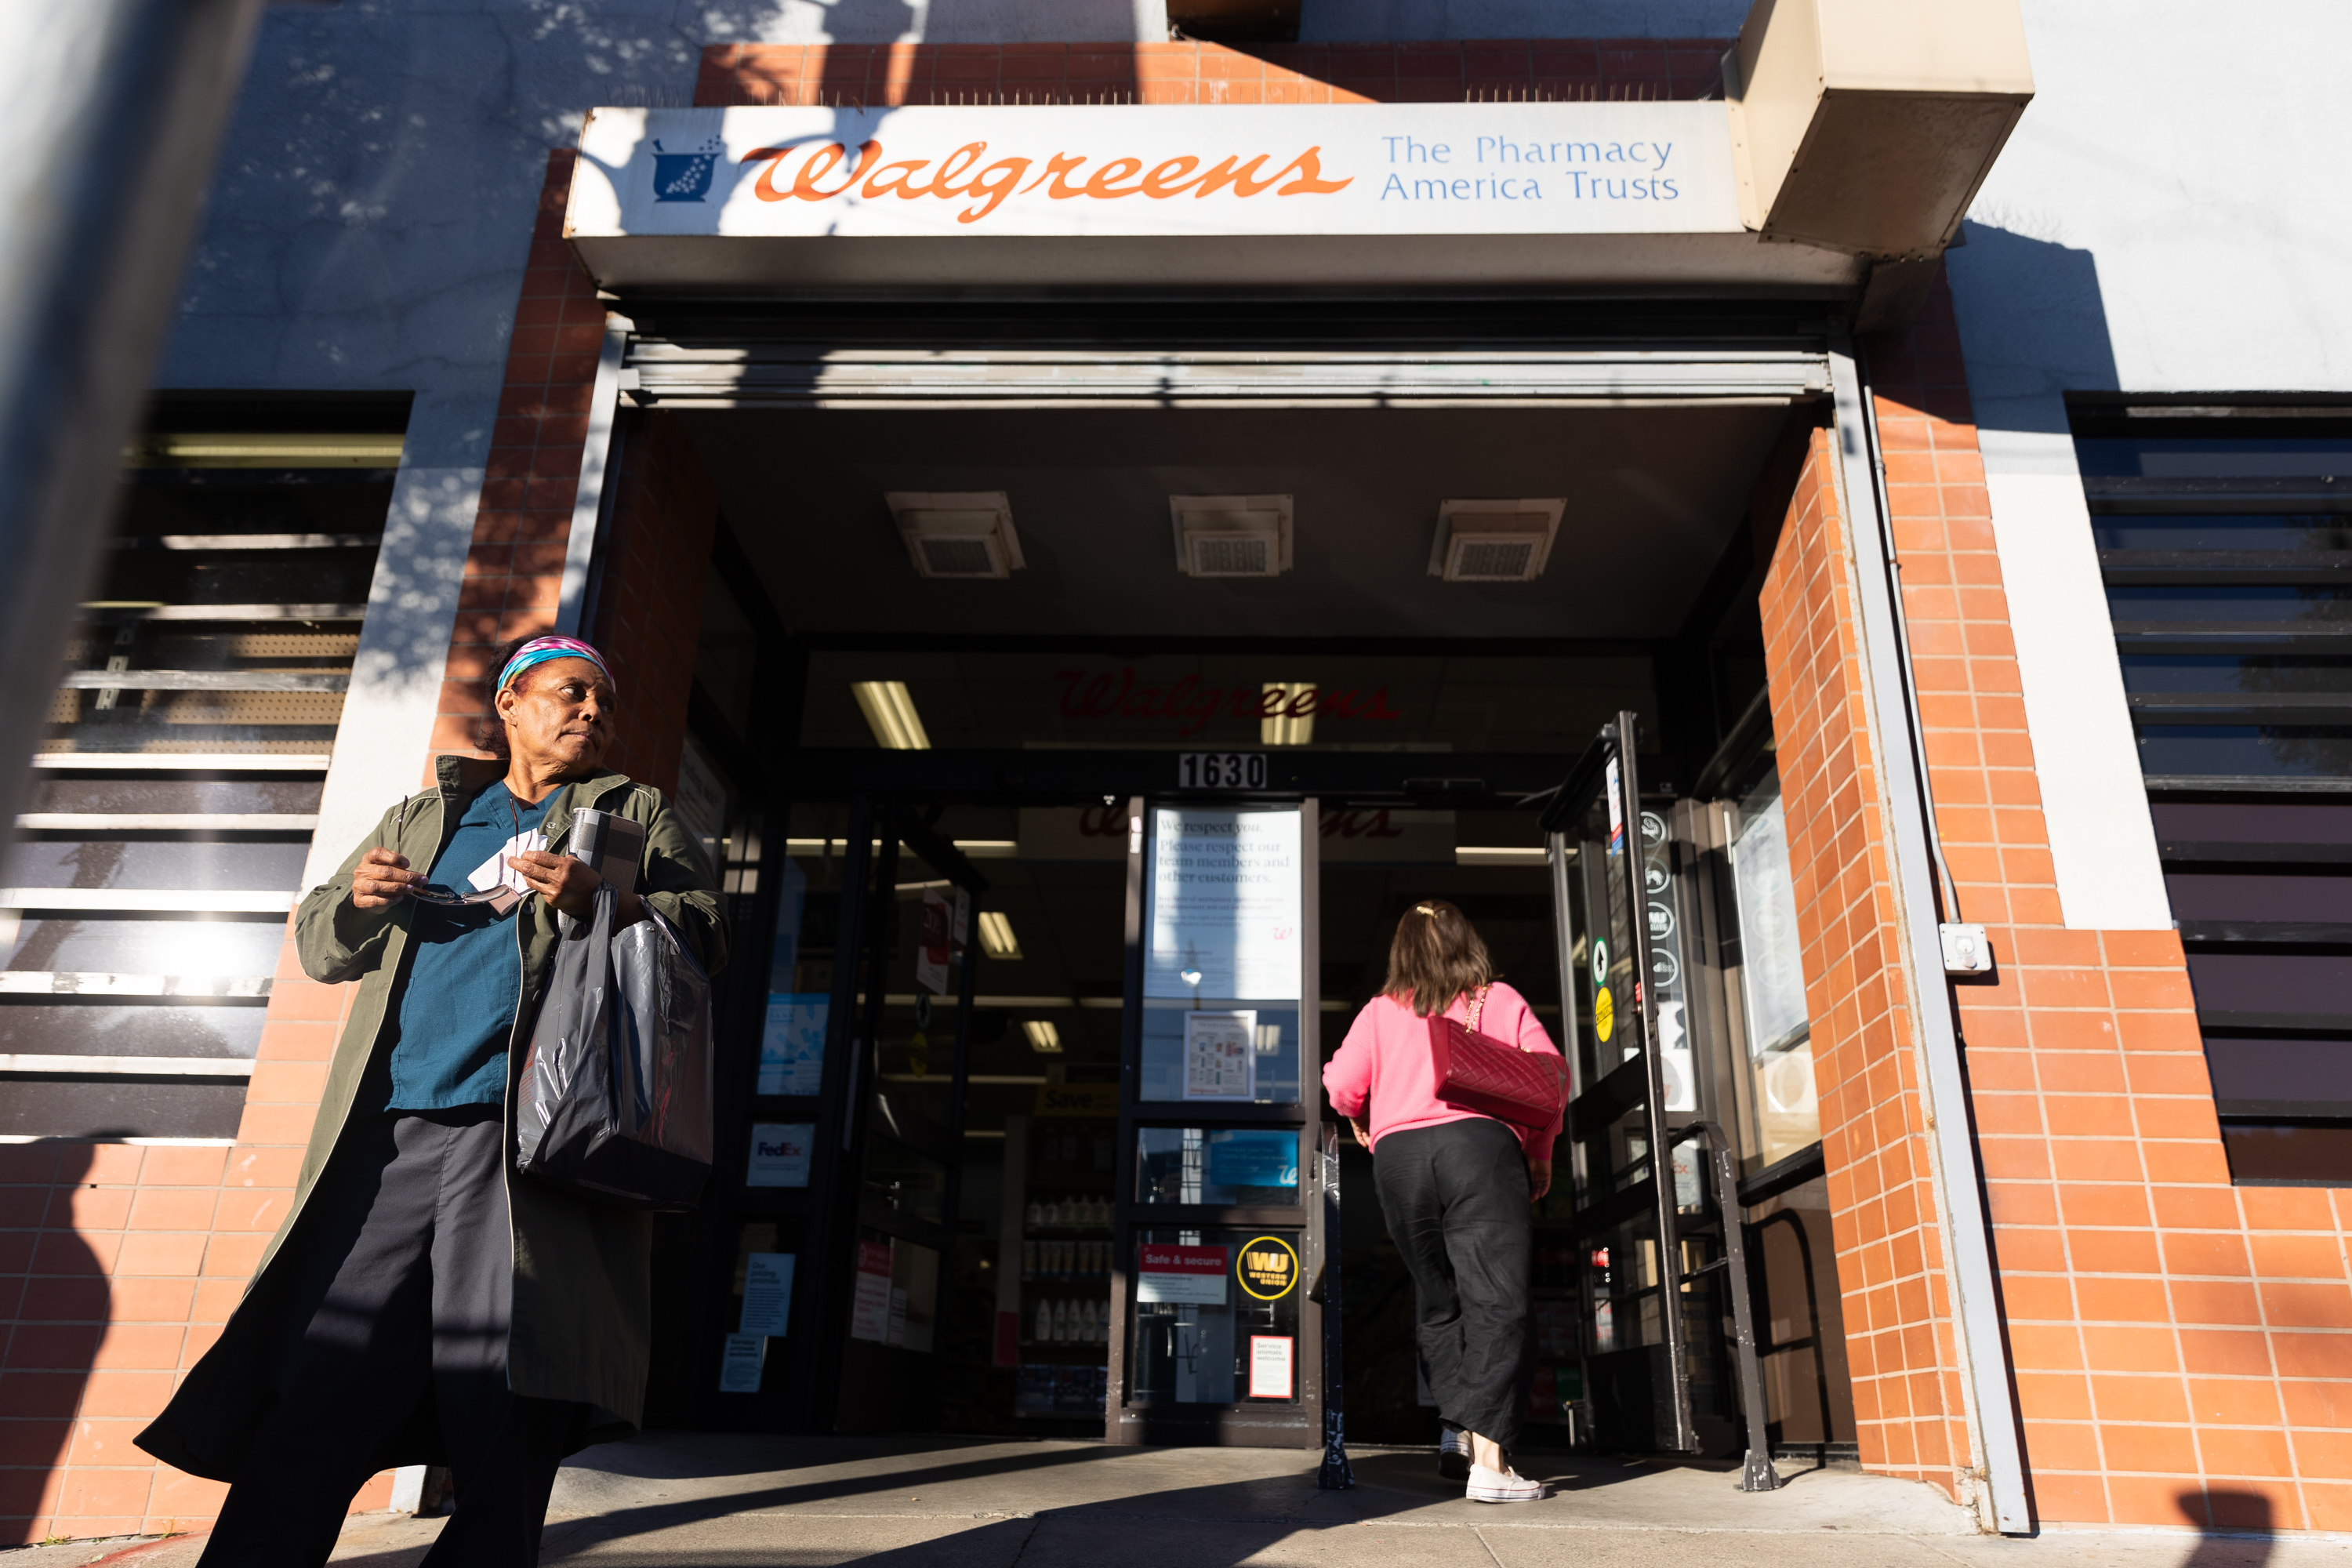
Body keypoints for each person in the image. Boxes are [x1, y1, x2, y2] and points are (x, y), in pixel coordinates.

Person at [136, 633, 727, 1566]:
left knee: (507, 1383)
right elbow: (321, 945)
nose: (592, 714)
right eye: (571, 693)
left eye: (604, 705)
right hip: (393, 1134)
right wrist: (359, 902)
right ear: (511, 703)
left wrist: (597, 897)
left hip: (527, 1144)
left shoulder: (631, 811)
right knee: (326, 1369)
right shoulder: (426, 814)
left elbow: (705, 936)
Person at [1323, 898, 1563, 1505]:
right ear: (1468, 942)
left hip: (1400, 1160)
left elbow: (1342, 1086)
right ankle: (1489, 1463)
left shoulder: (1381, 1011)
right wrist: (1540, 1151)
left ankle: (1457, 1429)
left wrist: (1365, 1115)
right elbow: (1551, 1079)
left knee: (1438, 1300)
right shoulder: (1498, 999)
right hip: (1478, 1149)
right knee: (1495, 1298)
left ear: (1401, 950)